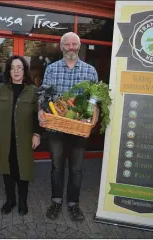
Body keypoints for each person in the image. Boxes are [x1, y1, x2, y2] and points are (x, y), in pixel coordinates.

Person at [38, 32, 99, 222]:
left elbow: (94, 99)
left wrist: (91, 118)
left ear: (79, 47)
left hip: (79, 128)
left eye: (74, 44)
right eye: (67, 44)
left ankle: (73, 203)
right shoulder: (52, 69)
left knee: (77, 169)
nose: (71, 47)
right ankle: (56, 201)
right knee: (57, 167)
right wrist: (41, 109)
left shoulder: (90, 71)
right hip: (57, 128)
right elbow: (44, 94)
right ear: (61, 46)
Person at [0, 56, 41, 216]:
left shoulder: (33, 90)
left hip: (24, 138)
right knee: (7, 170)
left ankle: (23, 201)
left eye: (19, 67)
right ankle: (10, 200)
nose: (16, 71)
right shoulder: (2, 88)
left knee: (22, 170)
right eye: (12, 68)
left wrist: (37, 134)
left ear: (24, 70)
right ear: (9, 71)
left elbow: (38, 115)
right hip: (4, 138)